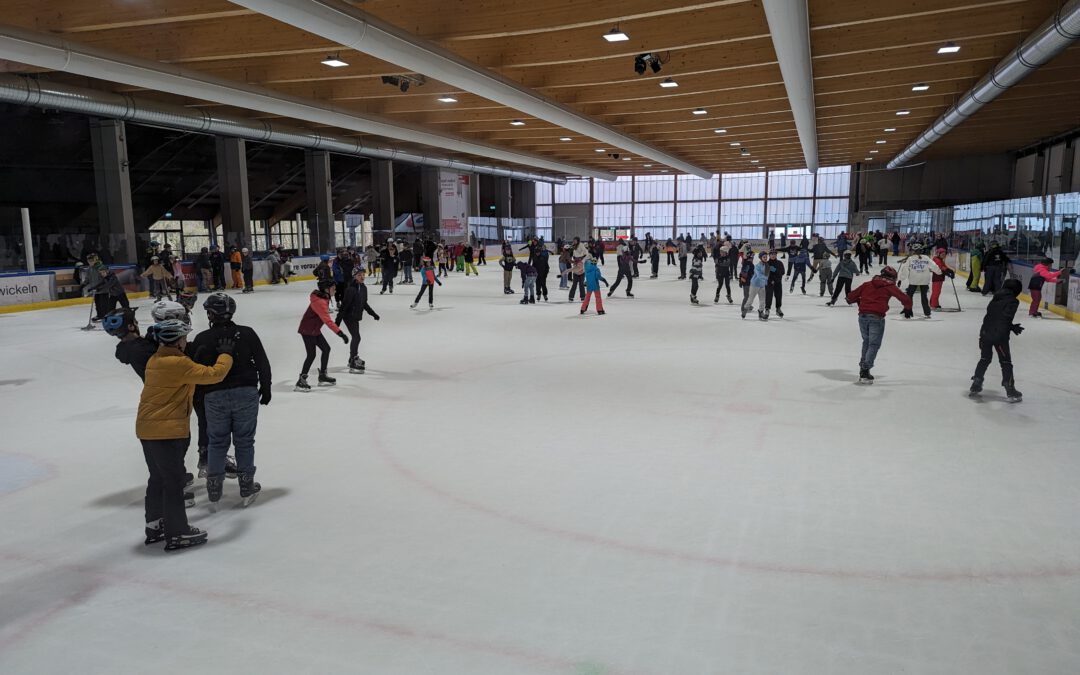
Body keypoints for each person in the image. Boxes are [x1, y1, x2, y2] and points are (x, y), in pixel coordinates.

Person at [136, 318, 234, 550]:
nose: (186, 340)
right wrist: (226, 354)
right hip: (166, 431)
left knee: (157, 478)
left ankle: (155, 524)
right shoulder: (178, 364)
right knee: (173, 481)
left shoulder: (156, 359)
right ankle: (177, 532)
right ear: (178, 340)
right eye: (184, 337)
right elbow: (214, 375)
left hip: (147, 428)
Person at [190, 292, 271, 508]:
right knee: (244, 440)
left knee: (217, 441)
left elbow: (195, 372)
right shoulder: (247, 333)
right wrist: (267, 386)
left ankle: (214, 487)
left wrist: (197, 398)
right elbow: (262, 361)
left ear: (209, 313)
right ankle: (246, 484)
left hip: (214, 396)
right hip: (246, 392)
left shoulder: (202, 339)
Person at [844, 265, 913, 384]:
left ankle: (863, 368)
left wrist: (859, 300)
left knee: (867, 341)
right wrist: (908, 308)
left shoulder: (867, 284)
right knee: (874, 344)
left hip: (863, 317)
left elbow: (849, 297)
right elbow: (905, 299)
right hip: (876, 317)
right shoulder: (889, 286)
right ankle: (865, 370)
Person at [970, 278, 1024, 402]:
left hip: (985, 332)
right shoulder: (1013, 301)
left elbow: (993, 316)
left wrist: (1011, 327)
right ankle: (1010, 388)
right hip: (999, 336)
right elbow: (1004, 318)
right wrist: (1011, 327)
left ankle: (976, 382)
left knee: (984, 359)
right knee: (1005, 362)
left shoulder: (995, 298)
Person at [296, 279, 346, 392]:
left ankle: (322, 375)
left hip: (315, 330)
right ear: (326, 289)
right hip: (308, 330)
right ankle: (301, 380)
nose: (335, 290)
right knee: (311, 355)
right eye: (333, 288)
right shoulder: (320, 302)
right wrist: (340, 333)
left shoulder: (324, 298)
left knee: (326, 349)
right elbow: (328, 321)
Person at [336, 267, 380, 372]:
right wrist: (338, 321)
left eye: (363, 274)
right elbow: (344, 305)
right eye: (359, 275)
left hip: (355, 316)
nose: (362, 277)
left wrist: (373, 314)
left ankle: (352, 358)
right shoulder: (351, 289)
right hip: (349, 316)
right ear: (354, 276)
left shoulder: (364, 288)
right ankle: (353, 360)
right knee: (356, 337)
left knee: (356, 337)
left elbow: (364, 303)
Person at [897, 244, 941, 318]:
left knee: (909, 296)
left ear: (914, 251)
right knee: (924, 296)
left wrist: (901, 279)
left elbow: (905, 270)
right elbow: (934, 266)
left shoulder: (910, 259)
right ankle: (927, 312)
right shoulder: (926, 258)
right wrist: (939, 272)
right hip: (924, 280)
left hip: (914, 280)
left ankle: (908, 310)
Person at [741, 252, 769, 320]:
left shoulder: (767, 265)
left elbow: (767, 274)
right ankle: (745, 309)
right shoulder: (757, 266)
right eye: (764, 257)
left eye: (766, 257)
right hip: (755, 284)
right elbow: (759, 275)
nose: (765, 258)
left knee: (763, 300)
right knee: (750, 299)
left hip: (762, 285)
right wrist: (766, 278)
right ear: (760, 258)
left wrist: (766, 282)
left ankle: (761, 312)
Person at [764, 250, 785, 318]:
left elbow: (782, 272)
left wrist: (775, 270)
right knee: (768, 296)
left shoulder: (780, 263)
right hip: (769, 283)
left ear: (776, 255)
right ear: (769, 255)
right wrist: (771, 280)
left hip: (778, 283)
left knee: (778, 296)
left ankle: (778, 309)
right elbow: (766, 275)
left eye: (774, 254)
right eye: (771, 254)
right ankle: (767, 309)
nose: (773, 255)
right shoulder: (766, 264)